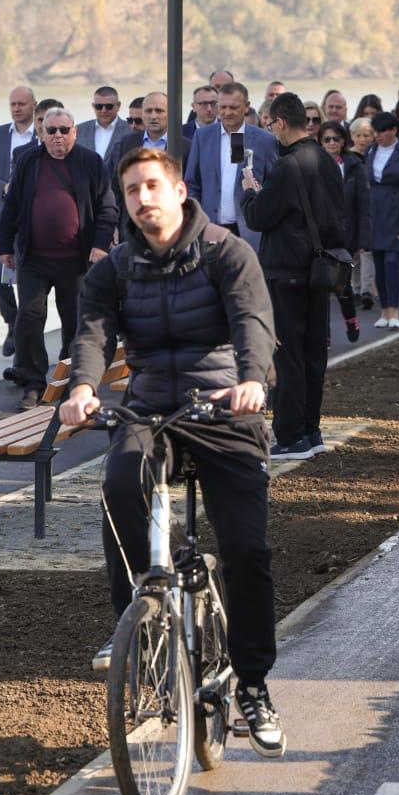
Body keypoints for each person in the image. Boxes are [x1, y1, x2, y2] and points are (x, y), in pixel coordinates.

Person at [60, 146, 285, 759]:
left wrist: (252, 381)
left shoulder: (226, 253)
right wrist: (82, 388)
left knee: (246, 547)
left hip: (222, 408)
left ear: (179, 191)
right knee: (118, 485)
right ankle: (140, 623)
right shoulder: (117, 267)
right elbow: (93, 332)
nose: (143, 199)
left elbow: (252, 323)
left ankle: (254, 685)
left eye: (153, 187)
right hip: (150, 404)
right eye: (132, 191)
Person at [240, 92, 346, 460]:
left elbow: (259, 217)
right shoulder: (327, 160)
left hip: (286, 270)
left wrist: (250, 193)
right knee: (314, 350)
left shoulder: (287, 167)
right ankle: (311, 431)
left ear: (281, 123)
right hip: (320, 270)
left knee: (288, 354)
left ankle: (290, 436)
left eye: (270, 124)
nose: (271, 131)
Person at [0, 107, 118, 409]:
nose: (58, 137)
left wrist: (101, 244)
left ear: (74, 132)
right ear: (41, 134)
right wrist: (5, 247)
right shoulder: (28, 162)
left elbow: (107, 208)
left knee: (75, 322)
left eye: (64, 130)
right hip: (34, 258)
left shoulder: (90, 162)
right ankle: (33, 383)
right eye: (51, 131)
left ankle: (71, 382)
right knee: (29, 317)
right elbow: (11, 206)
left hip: (76, 260)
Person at [185, 81, 280, 250]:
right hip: (210, 230)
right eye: (222, 107)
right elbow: (192, 183)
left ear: (246, 107)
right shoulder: (202, 136)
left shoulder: (265, 140)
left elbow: (274, 187)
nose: (227, 113)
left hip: (250, 233)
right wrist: (198, 221)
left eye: (233, 107)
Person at [0, 86, 37, 357]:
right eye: (13, 103)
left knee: (27, 279)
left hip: (34, 219)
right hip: (3, 216)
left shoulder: (44, 134)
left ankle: (25, 332)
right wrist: (3, 187)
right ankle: (12, 322)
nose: (17, 108)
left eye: (22, 103)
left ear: (33, 105)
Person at [364, 112, 399, 328]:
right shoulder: (370, 150)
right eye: (375, 131)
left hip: (397, 211)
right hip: (375, 211)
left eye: (382, 131)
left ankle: (395, 311)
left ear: (394, 131)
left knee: (391, 261)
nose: (378, 135)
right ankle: (384, 312)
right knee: (379, 262)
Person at [318, 121, 368, 342]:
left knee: (342, 283)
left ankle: (350, 318)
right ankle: (324, 333)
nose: (331, 143)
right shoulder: (313, 164)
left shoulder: (354, 165)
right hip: (319, 234)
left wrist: (363, 238)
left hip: (344, 235)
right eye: (327, 139)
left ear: (343, 141)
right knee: (319, 284)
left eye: (335, 139)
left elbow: (364, 204)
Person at [105, 91, 192, 201]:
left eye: (159, 111)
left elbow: (190, 186)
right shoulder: (126, 143)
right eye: (148, 111)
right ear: (142, 114)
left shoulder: (186, 147)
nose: (153, 116)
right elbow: (116, 185)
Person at [348, 117, 378, 307]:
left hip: (370, 207)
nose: (362, 139)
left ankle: (367, 290)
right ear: (352, 136)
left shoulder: (374, 156)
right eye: (358, 135)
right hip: (350, 209)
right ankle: (356, 287)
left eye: (366, 135)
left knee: (367, 250)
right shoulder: (348, 158)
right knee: (353, 252)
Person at [75, 85, 124, 161]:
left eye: (109, 106)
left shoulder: (130, 130)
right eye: (99, 106)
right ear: (93, 106)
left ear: (118, 106)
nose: (103, 110)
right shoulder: (79, 130)